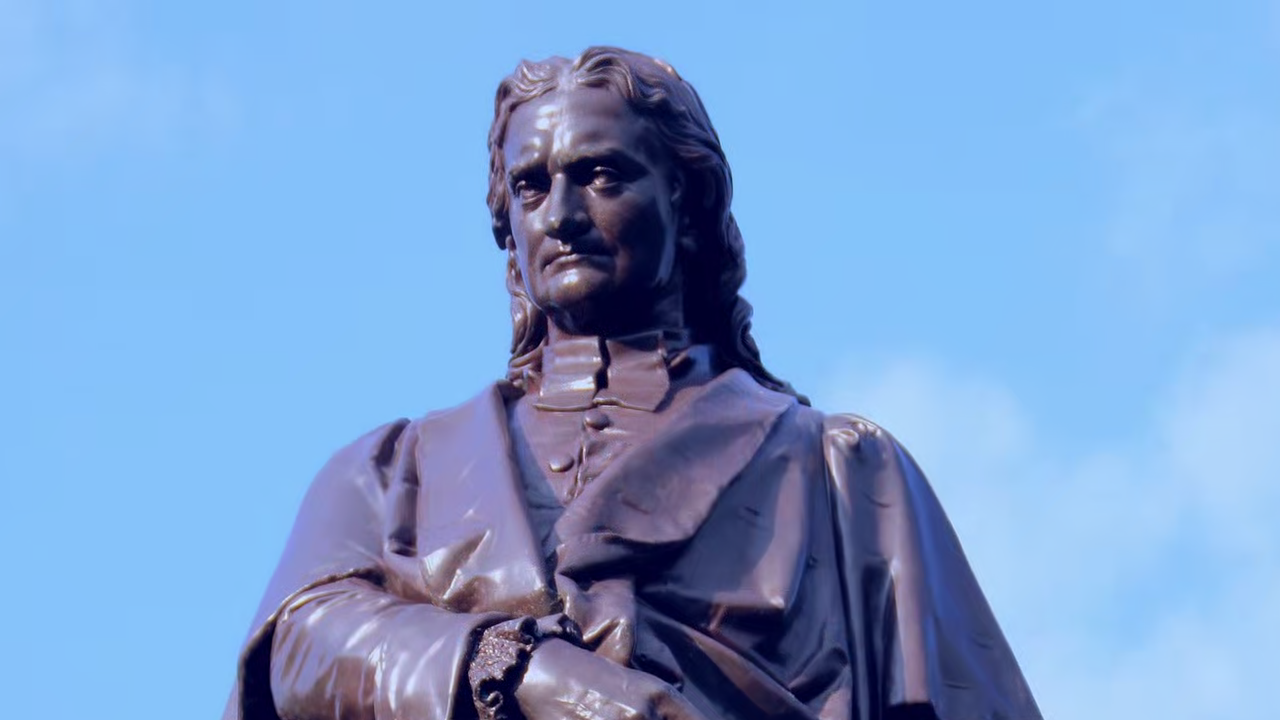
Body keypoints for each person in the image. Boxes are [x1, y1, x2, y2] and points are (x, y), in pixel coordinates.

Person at [223, 47, 1042, 720]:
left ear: (686, 203)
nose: (560, 215)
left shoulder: (843, 477)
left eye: (602, 175)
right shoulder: (396, 471)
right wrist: (514, 667)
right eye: (531, 186)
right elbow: (294, 646)